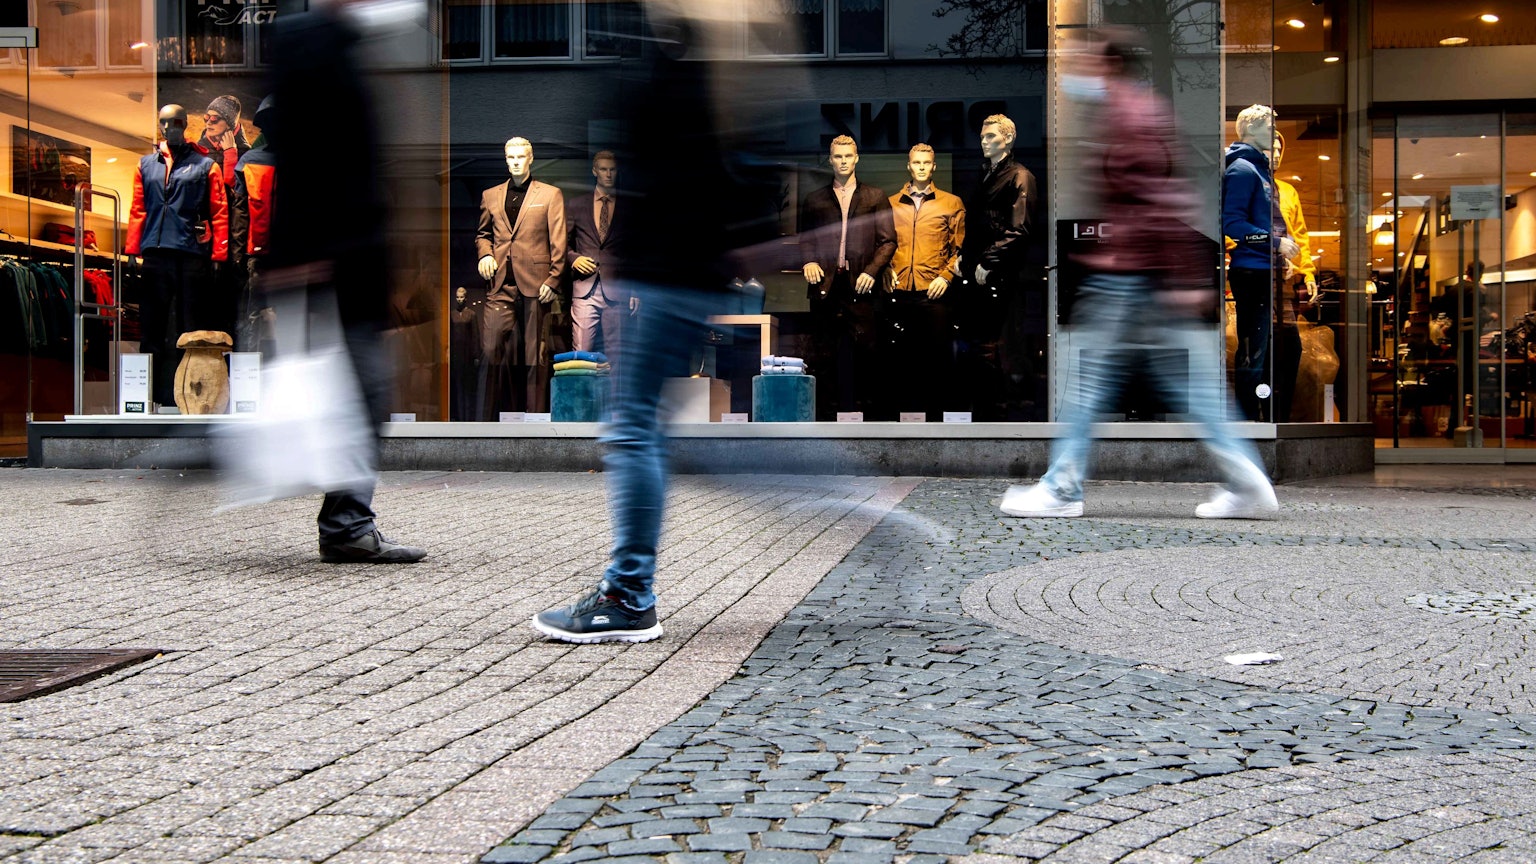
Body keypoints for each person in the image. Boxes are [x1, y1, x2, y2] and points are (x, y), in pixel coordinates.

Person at [532, 0, 783, 643]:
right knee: (646, 432)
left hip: (664, 275)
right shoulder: (704, 71)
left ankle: (628, 595)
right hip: (678, 273)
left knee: (632, 431)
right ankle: (848, 497)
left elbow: (662, 165)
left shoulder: (676, 65)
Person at [998, 28, 1278, 520]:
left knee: (1089, 386)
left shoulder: (1126, 114)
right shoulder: (1133, 110)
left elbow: (1157, 199)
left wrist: (1176, 275)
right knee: (1194, 391)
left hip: (1131, 276)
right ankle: (1247, 481)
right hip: (1147, 274)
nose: (1074, 71)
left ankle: (1061, 488)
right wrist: (1182, 276)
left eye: (1084, 61)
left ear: (1108, 64)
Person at [262, 0, 426, 562]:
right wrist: (296, 252)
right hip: (331, 259)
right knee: (363, 392)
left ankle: (347, 522)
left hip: (340, 257)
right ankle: (346, 526)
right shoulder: (312, 47)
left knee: (355, 391)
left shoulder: (339, 47)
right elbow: (306, 159)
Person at [126, 104, 230, 408]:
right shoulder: (146, 165)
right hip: (156, 254)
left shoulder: (205, 166)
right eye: (163, 123)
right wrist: (132, 249)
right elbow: (138, 209)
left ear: (184, 125)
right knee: (152, 327)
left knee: (191, 327)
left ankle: (192, 397)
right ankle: (150, 398)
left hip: (190, 254)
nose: (167, 128)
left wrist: (219, 255)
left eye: (173, 123)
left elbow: (219, 211)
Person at [799, 135, 896, 419]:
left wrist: (872, 270)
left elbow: (888, 241)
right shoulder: (815, 199)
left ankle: (868, 418)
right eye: (838, 156)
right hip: (826, 284)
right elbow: (806, 239)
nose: (843, 161)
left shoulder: (875, 196)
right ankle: (825, 417)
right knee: (823, 354)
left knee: (867, 352)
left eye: (848, 156)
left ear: (857, 159)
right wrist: (809, 261)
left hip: (861, 286)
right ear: (830, 160)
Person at [958, 114, 1042, 420]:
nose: (984, 141)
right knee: (979, 344)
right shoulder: (986, 175)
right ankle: (984, 411)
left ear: (1007, 138)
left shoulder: (1020, 176)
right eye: (982, 136)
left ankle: (995, 413)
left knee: (997, 344)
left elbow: (1019, 229)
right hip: (979, 274)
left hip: (1000, 275)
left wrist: (988, 259)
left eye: (991, 136)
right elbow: (978, 224)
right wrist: (965, 257)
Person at [475, 137, 567, 416]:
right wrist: (485, 255)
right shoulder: (490, 195)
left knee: (534, 357)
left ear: (531, 158)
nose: (515, 162)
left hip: (536, 284)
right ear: (505, 160)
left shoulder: (550, 194)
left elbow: (558, 241)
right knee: (490, 350)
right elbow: (483, 234)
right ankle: (483, 422)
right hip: (500, 283)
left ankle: (535, 420)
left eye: (520, 156)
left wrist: (553, 279)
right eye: (511, 157)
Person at [1224, 104, 1299, 422]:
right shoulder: (1243, 170)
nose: (1274, 131)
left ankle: (1263, 416)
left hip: (1265, 270)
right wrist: (1275, 243)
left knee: (1272, 348)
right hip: (1254, 272)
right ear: (1250, 129)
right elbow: (1232, 223)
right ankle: (1246, 420)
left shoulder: (1258, 170)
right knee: (1254, 350)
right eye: (1269, 126)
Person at [885, 143, 964, 419]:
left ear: (934, 166)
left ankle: (936, 420)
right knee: (900, 360)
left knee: (937, 358)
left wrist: (947, 276)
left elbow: (960, 249)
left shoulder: (951, 203)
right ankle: (901, 421)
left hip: (934, 292)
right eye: (916, 162)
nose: (921, 167)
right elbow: (883, 243)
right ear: (909, 166)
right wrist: (885, 269)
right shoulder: (891, 204)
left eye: (926, 162)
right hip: (899, 291)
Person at [565, 150, 635, 358]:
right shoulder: (576, 205)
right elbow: (561, 245)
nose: (608, 174)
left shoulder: (628, 207)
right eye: (604, 169)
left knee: (617, 357)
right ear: (595, 171)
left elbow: (635, 252)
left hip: (618, 289)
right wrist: (574, 259)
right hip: (585, 287)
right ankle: (581, 383)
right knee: (580, 354)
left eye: (612, 170)